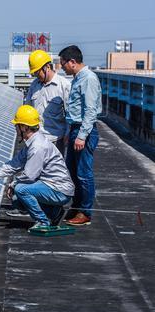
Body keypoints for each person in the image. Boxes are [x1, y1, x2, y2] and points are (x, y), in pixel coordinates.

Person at [0, 105, 74, 231]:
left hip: (59, 190)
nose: (15, 127)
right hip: (52, 186)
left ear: (24, 127)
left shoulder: (37, 146)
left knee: (21, 190)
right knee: (16, 199)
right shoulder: (33, 142)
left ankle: (43, 222)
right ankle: (54, 213)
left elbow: (29, 176)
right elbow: (16, 162)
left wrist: (12, 184)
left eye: (17, 125)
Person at [59, 45, 102, 226]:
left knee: (84, 174)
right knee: (73, 173)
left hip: (85, 130)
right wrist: (71, 132)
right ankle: (76, 208)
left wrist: (82, 135)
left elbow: (90, 110)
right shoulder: (78, 78)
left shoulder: (88, 79)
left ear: (72, 62)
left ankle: (85, 212)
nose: (62, 67)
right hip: (76, 129)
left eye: (63, 64)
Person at [25, 50, 71, 155]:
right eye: (34, 73)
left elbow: (70, 114)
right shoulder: (34, 85)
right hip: (36, 139)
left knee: (54, 170)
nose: (36, 75)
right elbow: (27, 108)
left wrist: (68, 134)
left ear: (47, 67)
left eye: (37, 72)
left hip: (55, 140)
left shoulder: (64, 85)